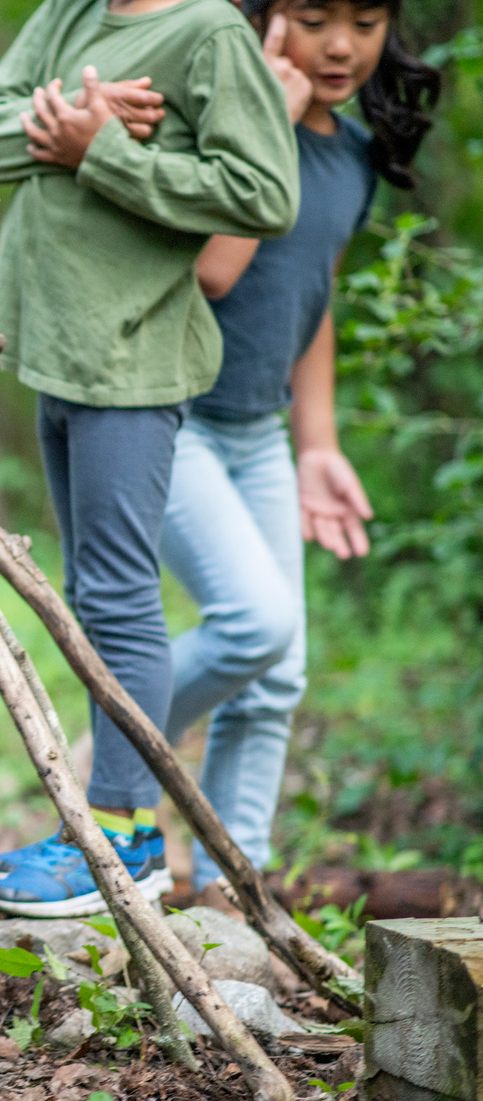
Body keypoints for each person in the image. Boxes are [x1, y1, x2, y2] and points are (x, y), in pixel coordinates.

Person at [0, 0, 302, 918]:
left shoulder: (210, 34)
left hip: (134, 360)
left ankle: (124, 833)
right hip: (58, 349)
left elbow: (265, 192)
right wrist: (65, 119)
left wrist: (101, 152)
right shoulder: (68, 13)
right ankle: (99, 823)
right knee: (88, 595)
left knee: (118, 596)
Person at [161, 0, 440, 905]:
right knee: (253, 623)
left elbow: (310, 294)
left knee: (277, 674)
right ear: (264, 18)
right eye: (313, 17)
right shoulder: (225, 122)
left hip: (260, 431)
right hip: (168, 416)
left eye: (364, 22)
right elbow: (213, 269)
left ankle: (230, 886)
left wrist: (317, 442)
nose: (339, 46)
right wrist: (265, 128)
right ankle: (105, 749)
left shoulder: (354, 155)